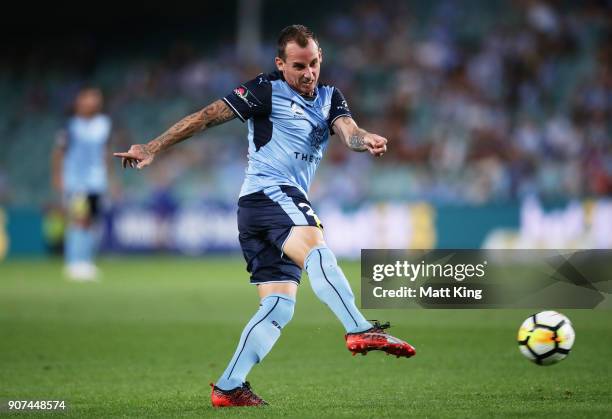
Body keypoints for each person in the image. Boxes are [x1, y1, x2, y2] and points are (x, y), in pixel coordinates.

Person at [114, 25, 416, 407]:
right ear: (280, 64)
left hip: (259, 211)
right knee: (316, 247)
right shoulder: (264, 89)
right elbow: (206, 117)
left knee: (278, 305)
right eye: (299, 66)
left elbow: (349, 132)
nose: (309, 73)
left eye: (315, 63)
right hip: (269, 193)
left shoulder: (329, 97)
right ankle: (359, 327)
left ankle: (228, 387)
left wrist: (366, 139)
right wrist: (152, 146)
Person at [52, 87, 113, 281]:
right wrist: (58, 177)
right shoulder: (69, 126)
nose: (94, 102)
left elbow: (105, 153)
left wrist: (111, 179)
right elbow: (58, 153)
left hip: (97, 181)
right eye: (90, 98)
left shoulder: (104, 124)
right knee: (79, 218)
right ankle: (74, 263)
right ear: (80, 101)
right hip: (76, 180)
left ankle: (85, 261)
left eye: (97, 99)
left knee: (91, 221)